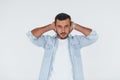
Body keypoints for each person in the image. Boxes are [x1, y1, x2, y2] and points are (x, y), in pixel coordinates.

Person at [26, 13, 98, 80]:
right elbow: (31, 36)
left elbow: (94, 36)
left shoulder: (76, 41)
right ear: (55, 27)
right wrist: (49, 27)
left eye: (66, 26)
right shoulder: (48, 41)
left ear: (70, 26)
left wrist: (75, 26)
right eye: (59, 26)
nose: (63, 30)